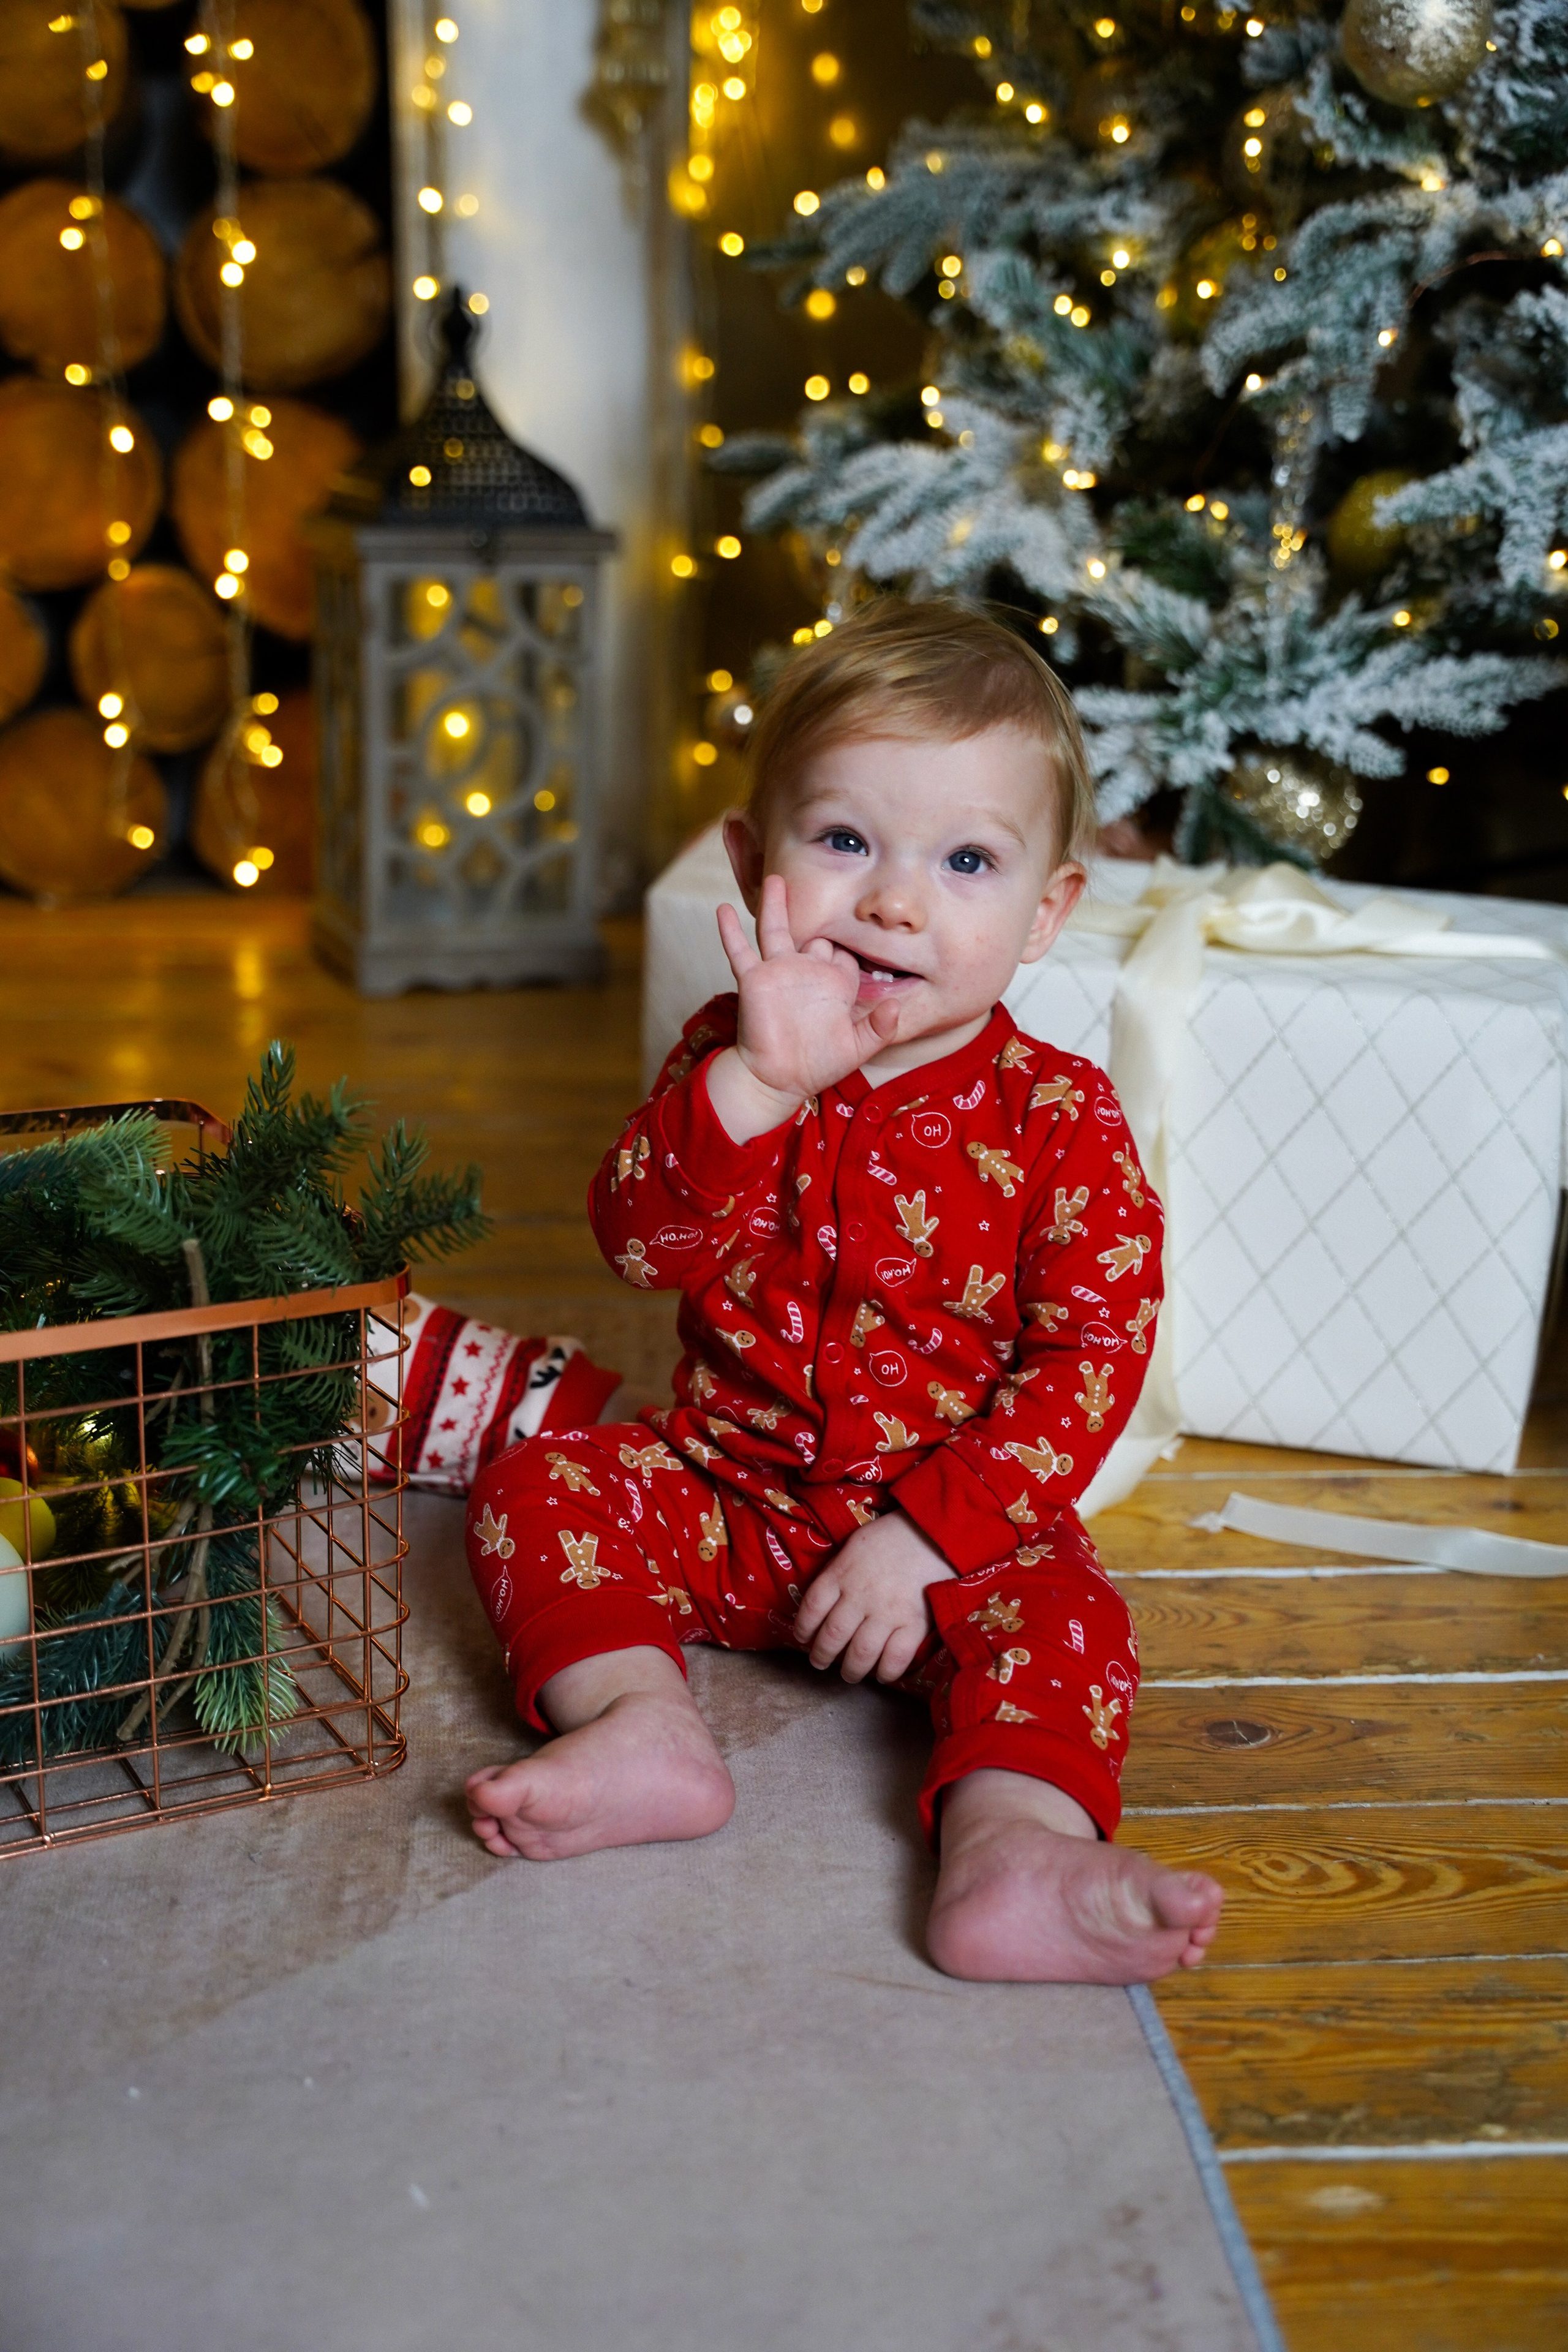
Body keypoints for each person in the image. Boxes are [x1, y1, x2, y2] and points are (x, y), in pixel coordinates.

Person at [462, 599, 1224, 1984]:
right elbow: (639, 1246)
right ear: (754, 864)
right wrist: (754, 1085)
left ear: (1047, 911)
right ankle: (641, 1725)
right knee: (539, 1484)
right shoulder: (731, 1052)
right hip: (732, 1494)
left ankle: (1011, 1848)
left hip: (958, 1546)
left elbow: (1090, 1360)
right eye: (844, 843)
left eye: (967, 861)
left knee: (1070, 1623)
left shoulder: (1061, 1118)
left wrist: (934, 1539)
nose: (893, 902)